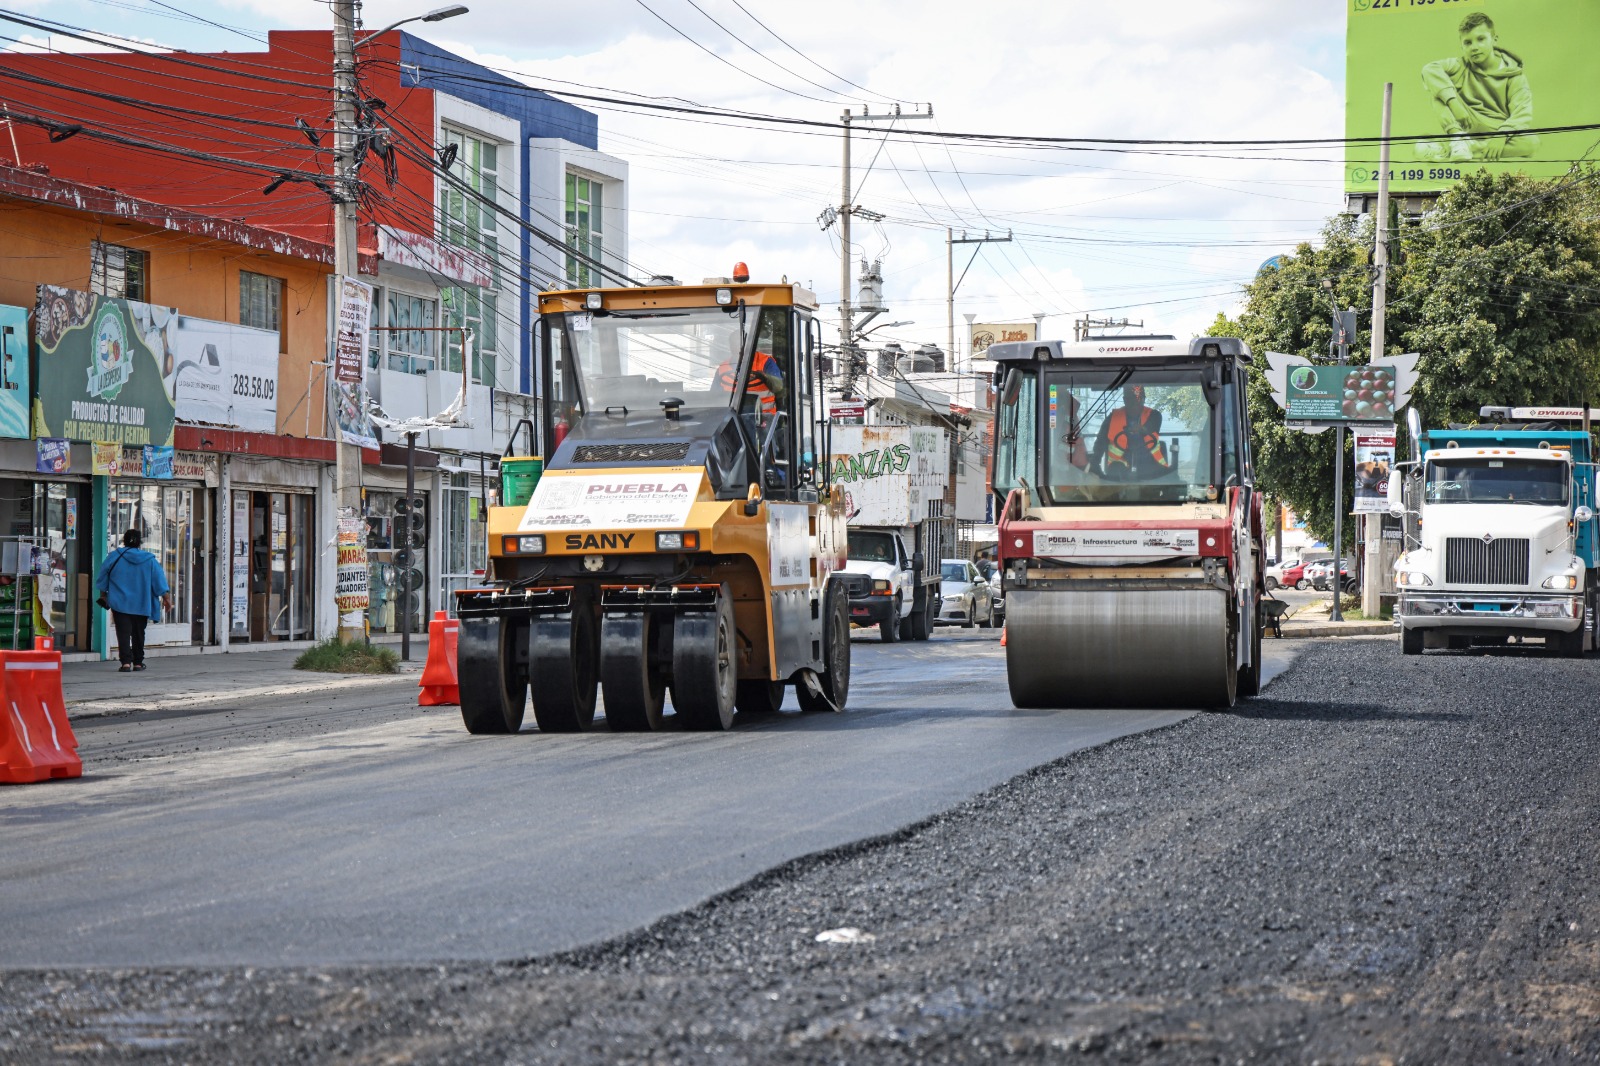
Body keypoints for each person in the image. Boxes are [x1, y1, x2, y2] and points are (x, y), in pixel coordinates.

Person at [1415, 12, 1538, 164]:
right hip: (1465, 124)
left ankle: (1466, 149)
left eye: (1480, 39)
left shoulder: (1515, 76)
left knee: (1531, 143)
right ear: (1461, 45)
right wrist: (1454, 102)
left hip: (1497, 129)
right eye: (1468, 42)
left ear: (1494, 40)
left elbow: (1522, 113)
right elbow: (1429, 69)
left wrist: (1501, 136)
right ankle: (1457, 139)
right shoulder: (1460, 65)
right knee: (1438, 92)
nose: (1474, 47)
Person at [96, 528, 172, 672]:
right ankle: (138, 663)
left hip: (120, 603)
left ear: (124, 541)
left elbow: (103, 576)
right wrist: (167, 599)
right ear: (139, 542)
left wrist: (103, 594)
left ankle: (125, 663)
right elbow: (159, 581)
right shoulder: (150, 560)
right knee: (138, 633)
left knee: (123, 632)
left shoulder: (114, 556)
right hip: (142, 603)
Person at [1090, 383, 1170, 480]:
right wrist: (1094, 463)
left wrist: (1142, 429)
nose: (1136, 404)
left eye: (1140, 400)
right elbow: (1100, 442)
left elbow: (1152, 426)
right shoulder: (1112, 418)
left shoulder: (1154, 415)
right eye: (1131, 401)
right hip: (1119, 463)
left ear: (1144, 399)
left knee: (1164, 477)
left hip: (1149, 461)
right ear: (1124, 400)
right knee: (1114, 474)